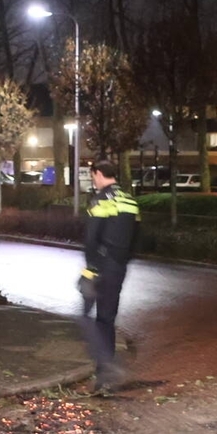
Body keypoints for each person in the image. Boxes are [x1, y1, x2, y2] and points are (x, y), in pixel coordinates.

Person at [77, 161, 139, 393]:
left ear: (99, 174)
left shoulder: (101, 200)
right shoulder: (130, 201)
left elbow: (92, 238)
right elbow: (136, 238)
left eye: (93, 176)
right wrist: (122, 261)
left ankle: (105, 367)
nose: (93, 180)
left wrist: (90, 270)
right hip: (118, 266)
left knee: (85, 316)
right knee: (107, 317)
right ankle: (106, 374)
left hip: (100, 265)